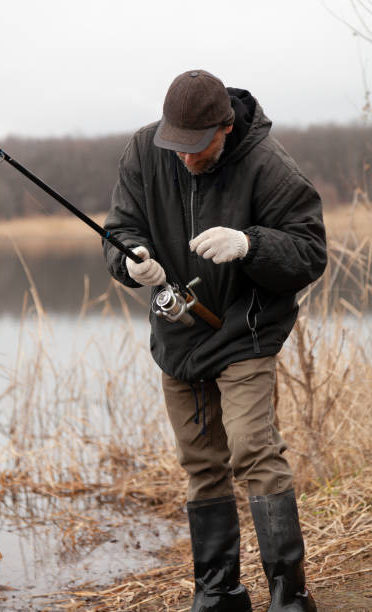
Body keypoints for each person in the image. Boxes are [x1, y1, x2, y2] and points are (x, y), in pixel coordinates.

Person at [103, 69, 327, 612]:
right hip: (178, 337)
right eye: (175, 146)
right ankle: (219, 592)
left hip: (244, 332)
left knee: (253, 450)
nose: (183, 158)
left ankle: (290, 598)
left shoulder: (267, 164)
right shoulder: (144, 149)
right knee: (200, 466)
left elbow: (309, 252)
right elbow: (121, 227)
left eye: (195, 149)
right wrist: (132, 263)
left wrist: (250, 244)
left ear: (224, 128)